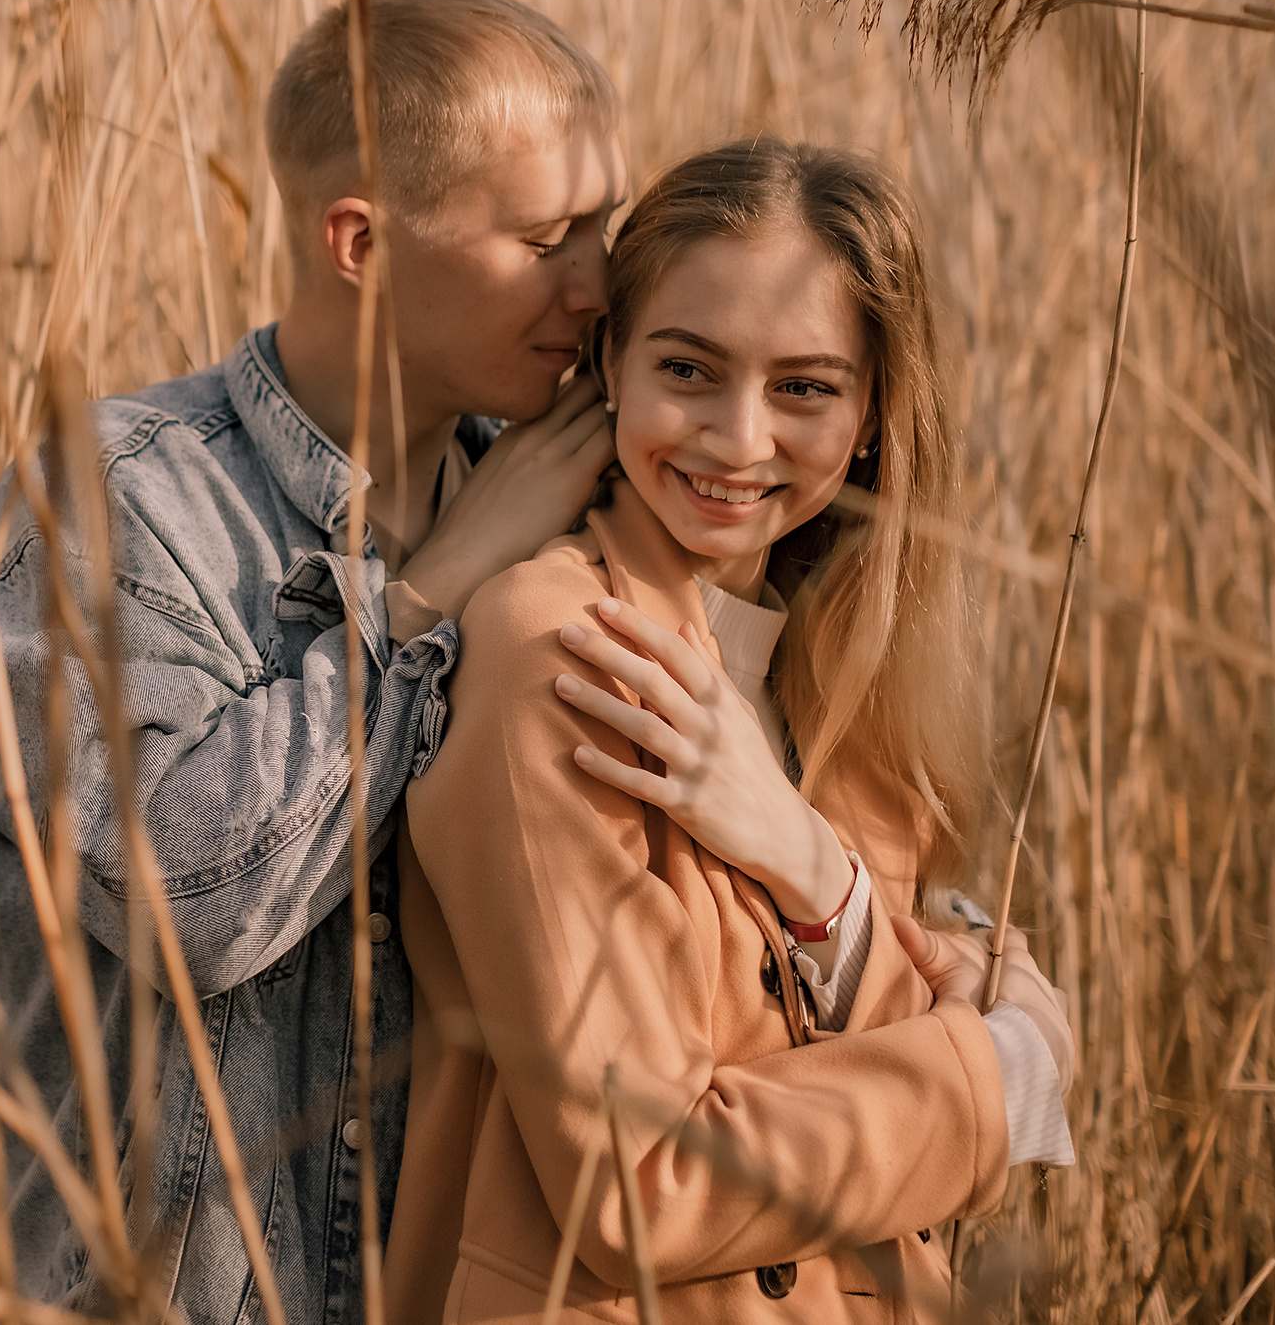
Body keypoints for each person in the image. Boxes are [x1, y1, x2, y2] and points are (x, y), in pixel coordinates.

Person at [0, 0, 628, 1317]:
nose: (597, 282)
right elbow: (187, 903)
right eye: (548, 233)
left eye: (604, 226)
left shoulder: (587, 508)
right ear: (361, 241)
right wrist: (428, 594)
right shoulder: (111, 496)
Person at [388, 139, 1076, 1322]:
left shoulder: (851, 681)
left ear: (870, 417)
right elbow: (640, 1184)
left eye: (804, 387)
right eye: (689, 370)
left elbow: (907, 1082)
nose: (737, 439)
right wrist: (1002, 1077)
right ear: (610, 361)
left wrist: (809, 862)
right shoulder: (563, 647)